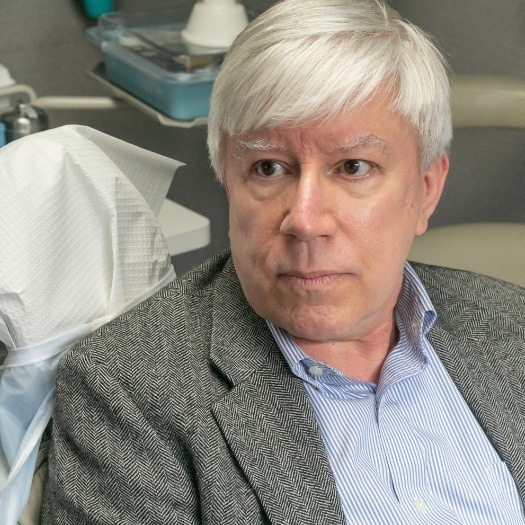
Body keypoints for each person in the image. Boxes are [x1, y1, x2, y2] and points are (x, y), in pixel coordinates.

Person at [42, 0, 525, 523]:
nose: (305, 219)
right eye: (268, 167)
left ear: (426, 190)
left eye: (353, 167)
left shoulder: (512, 327)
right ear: (228, 178)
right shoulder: (129, 391)